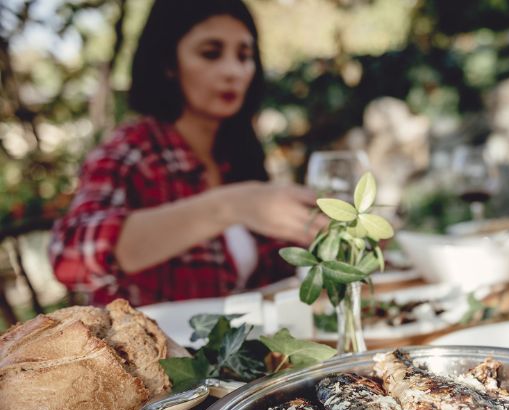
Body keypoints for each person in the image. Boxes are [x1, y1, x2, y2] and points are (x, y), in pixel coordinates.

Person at [49, 0, 326, 307]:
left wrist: (329, 237)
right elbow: (68, 254)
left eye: (244, 56)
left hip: (247, 349)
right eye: (211, 53)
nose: (234, 71)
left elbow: (273, 275)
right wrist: (229, 206)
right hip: (150, 351)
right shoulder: (133, 149)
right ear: (168, 63)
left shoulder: (235, 152)